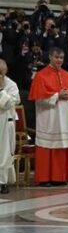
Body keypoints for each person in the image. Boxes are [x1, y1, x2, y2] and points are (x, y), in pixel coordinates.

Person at [28, 47, 68, 186]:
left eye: (61, 58)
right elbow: (39, 98)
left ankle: (59, 177)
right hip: (48, 115)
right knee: (47, 146)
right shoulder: (41, 75)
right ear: (50, 57)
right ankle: (44, 178)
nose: (59, 60)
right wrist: (57, 95)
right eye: (56, 57)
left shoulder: (67, 75)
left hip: (64, 114)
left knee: (60, 146)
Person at [0, 59, 20, 194]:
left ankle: (2, 182)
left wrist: (1, 89)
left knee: (4, 152)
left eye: (1, 71)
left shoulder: (11, 85)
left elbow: (6, 104)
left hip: (5, 122)